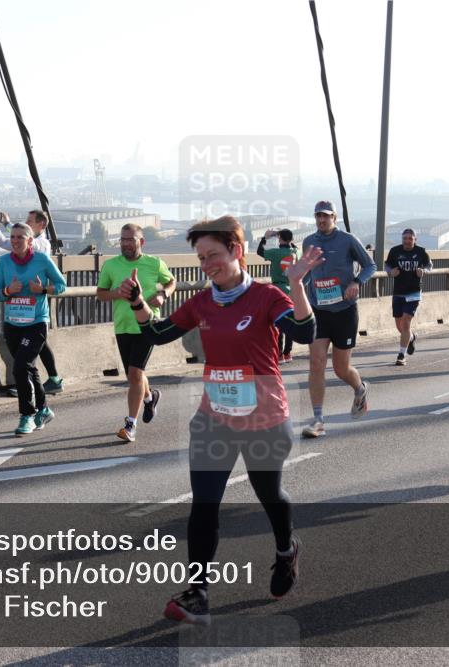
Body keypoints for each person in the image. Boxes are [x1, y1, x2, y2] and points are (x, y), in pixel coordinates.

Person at [121, 215, 323, 625]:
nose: (206, 264)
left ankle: (287, 549)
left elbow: (303, 332)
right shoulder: (201, 302)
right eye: (201, 257)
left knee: (270, 496)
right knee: (204, 505)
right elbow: (158, 334)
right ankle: (197, 592)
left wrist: (297, 285)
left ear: (237, 251)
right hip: (214, 418)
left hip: (265, 418)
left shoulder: (266, 298)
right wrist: (138, 302)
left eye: (213, 254)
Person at [301, 200, 376, 438]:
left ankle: (360, 388)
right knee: (316, 362)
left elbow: (370, 265)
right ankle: (318, 420)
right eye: (318, 216)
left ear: (334, 217)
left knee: (340, 368)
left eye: (325, 216)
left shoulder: (347, 240)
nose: (321, 220)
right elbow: (305, 273)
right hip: (319, 310)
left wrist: (356, 282)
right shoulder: (309, 242)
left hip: (344, 311)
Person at [96, 223, 177, 442]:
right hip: (123, 326)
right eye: (122, 240)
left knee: (134, 374)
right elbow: (101, 294)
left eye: (130, 239)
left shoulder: (154, 263)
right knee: (135, 375)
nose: (125, 244)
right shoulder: (111, 265)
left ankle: (130, 425)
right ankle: (150, 397)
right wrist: (118, 293)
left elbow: (171, 282)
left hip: (147, 325)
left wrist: (163, 295)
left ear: (141, 241)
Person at [0, 222, 67, 435]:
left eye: (20, 237)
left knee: (19, 367)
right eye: (12, 237)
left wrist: (41, 289)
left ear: (30, 240)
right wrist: (8, 290)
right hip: (12, 324)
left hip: (36, 323)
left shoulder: (42, 260)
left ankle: (27, 415)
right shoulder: (3, 262)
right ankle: (43, 409)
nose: (15, 241)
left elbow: (62, 285)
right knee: (27, 368)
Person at [385, 228, 432, 366]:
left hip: (413, 293)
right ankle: (411, 337)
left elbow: (429, 265)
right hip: (398, 292)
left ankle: (401, 355)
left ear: (415, 239)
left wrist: (424, 271)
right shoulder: (395, 251)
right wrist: (390, 272)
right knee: (399, 326)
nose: (407, 241)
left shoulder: (421, 252)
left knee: (406, 323)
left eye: (410, 238)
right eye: (405, 238)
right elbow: (387, 265)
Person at [257, 228, 302, 363]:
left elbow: (260, 252)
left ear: (279, 238)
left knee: (279, 322)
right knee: (290, 321)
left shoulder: (276, 252)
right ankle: (288, 353)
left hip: (278, 289)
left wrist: (264, 238)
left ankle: (279, 354)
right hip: (292, 290)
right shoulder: (295, 252)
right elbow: (296, 247)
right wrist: (284, 236)